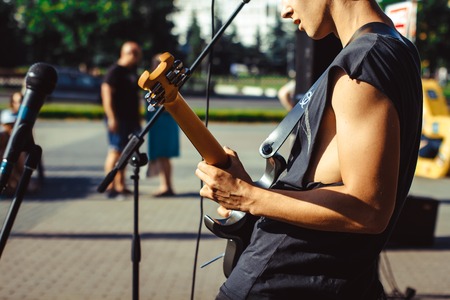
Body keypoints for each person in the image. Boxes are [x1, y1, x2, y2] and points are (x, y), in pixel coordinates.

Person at [195, 0, 422, 299]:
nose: (284, 10)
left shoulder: (362, 64)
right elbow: (327, 182)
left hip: (283, 279)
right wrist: (251, 190)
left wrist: (248, 197)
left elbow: (368, 209)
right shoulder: (396, 49)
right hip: (334, 281)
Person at [101, 41, 143, 199]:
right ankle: (110, 186)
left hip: (130, 119)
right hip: (118, 119)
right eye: (136, 54)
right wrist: (112, 117)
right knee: (115, 151)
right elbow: (106, 93)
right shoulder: (115, 71)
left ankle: (121, 185)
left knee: (125, 153)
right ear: (128, 53)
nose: (137, 58)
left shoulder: (131, 71)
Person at [146, 54, 180, 197]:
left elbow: (166, 103)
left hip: (162, 123)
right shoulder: (169, 80)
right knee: (162, 156)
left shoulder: (163, 82)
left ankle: (166, 186)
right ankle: (166, 185)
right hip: (161, 123)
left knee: (162, 156)